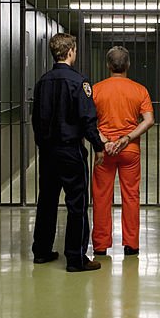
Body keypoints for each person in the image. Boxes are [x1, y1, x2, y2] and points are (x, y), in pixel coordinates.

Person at [31, 32, 106, 272]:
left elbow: (35, 118)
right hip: (70, 150)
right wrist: (98, 146)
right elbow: (87, 119)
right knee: (77, 203)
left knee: (47, 200)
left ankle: (41, 251)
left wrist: (42, 143)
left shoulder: (43, 81)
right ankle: (76, 258)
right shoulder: (79, 82)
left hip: (48, 151)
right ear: (71, 51)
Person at [91, 46, 155, 257]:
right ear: (128, 65)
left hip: (104, 151)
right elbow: (149, 120)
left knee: (101, 197)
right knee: (131, 196)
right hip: (130, 150)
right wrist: (126, 137)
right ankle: (131, 244)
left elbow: (88, 121)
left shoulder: (96, 89)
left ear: (108, 65)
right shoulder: (139, 89)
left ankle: (100, 246)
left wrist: (105, 141)